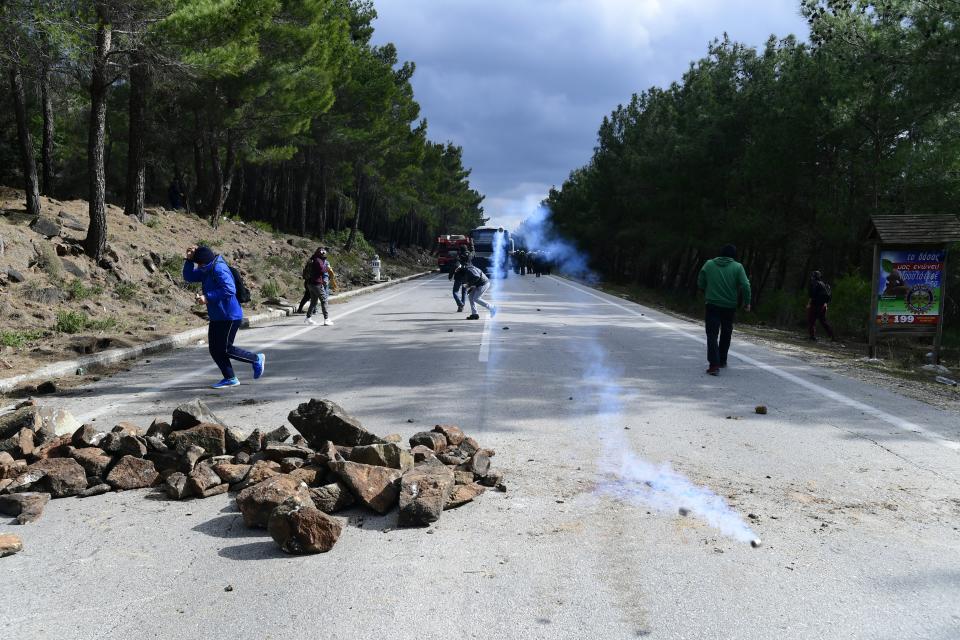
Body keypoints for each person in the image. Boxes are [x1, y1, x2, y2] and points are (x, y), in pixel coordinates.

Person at [183, 245, 265, 388]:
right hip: (217, 316)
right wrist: (189, 260)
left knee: (225, 348)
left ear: (205, 261)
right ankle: (230, 378)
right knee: (215, 349)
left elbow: (229, 289)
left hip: (229, 316)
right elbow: (188, 276)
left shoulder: (218, 268)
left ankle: (256, 359)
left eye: (199, 263)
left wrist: (207, 298)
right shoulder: (206, 269)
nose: (198, 266)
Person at [697, 244, 751, 376]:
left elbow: (700, 282)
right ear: (734, 256)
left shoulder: (709, 264)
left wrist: (705, 290)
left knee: (712, 334)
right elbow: (745, 285)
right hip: (729, 306)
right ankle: (722, 360)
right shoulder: (738, 267)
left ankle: (714, 364)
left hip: (712, 304)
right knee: (726, 332)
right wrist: (747, 302)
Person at [304, 247, 335, 326]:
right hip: (316, 283)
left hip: (310, 283)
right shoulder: (318, 260)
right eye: (323, 253)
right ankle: (326, 319)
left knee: (314, 301)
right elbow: (322, 270)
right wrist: (326, 267)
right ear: (321, 253)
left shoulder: (312, 259)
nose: (324, 254)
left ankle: (308, 318)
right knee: (324, 300)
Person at [807, 271, 835, 342]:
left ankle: (812, 337)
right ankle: (832, 336)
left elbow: (812, 295)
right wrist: (826, 304)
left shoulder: (814, 283)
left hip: (815, 305)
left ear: (814, 276)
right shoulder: (824, 284)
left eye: (812, 276)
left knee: (811, 321)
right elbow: (829, 296)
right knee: (823, 321)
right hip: (823, 306)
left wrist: (809, 304)